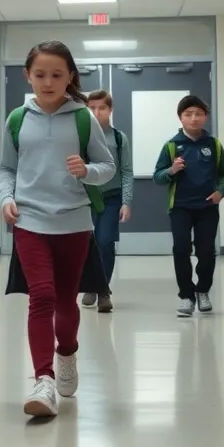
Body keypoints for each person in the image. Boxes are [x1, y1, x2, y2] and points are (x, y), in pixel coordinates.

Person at [0, 41, 116, 418]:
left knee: (66, 300)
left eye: (57, 75)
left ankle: (67, 353)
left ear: (70, 77)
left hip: (74, 222)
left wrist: (88, 171)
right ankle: (43, 379)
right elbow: (6, 169)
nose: (48, 82)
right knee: (42, 297)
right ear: (27, 76)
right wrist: (5, 198)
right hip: (30, 220)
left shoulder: (83, 117)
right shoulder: (18, 118)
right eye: (40, 75)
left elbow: (107, 166)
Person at [153, 95, 224, 317]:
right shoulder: (171, 146)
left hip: (207, 207)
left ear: (205, 117)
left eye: (198, 113)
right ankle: (186, 296)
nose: (194, 118)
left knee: (206, 251)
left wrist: (221, 191)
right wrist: (171, 170)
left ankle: (203, 291)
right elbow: (157, 177)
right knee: (181, 249)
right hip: (180, 207)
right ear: (180, 118)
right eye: (188, 114)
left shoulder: (213, 145)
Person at [82, 89, 133, 313]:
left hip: (111, 198)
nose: (96, 112)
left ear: (110, 110)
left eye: (101, 108)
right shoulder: (81, 136)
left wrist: (126, 201)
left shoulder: (119, 139)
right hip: (85, 198)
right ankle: (90, 285)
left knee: (105, 242)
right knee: (85, 244)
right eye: (91, 108)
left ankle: (103, 290)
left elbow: (127, 171)